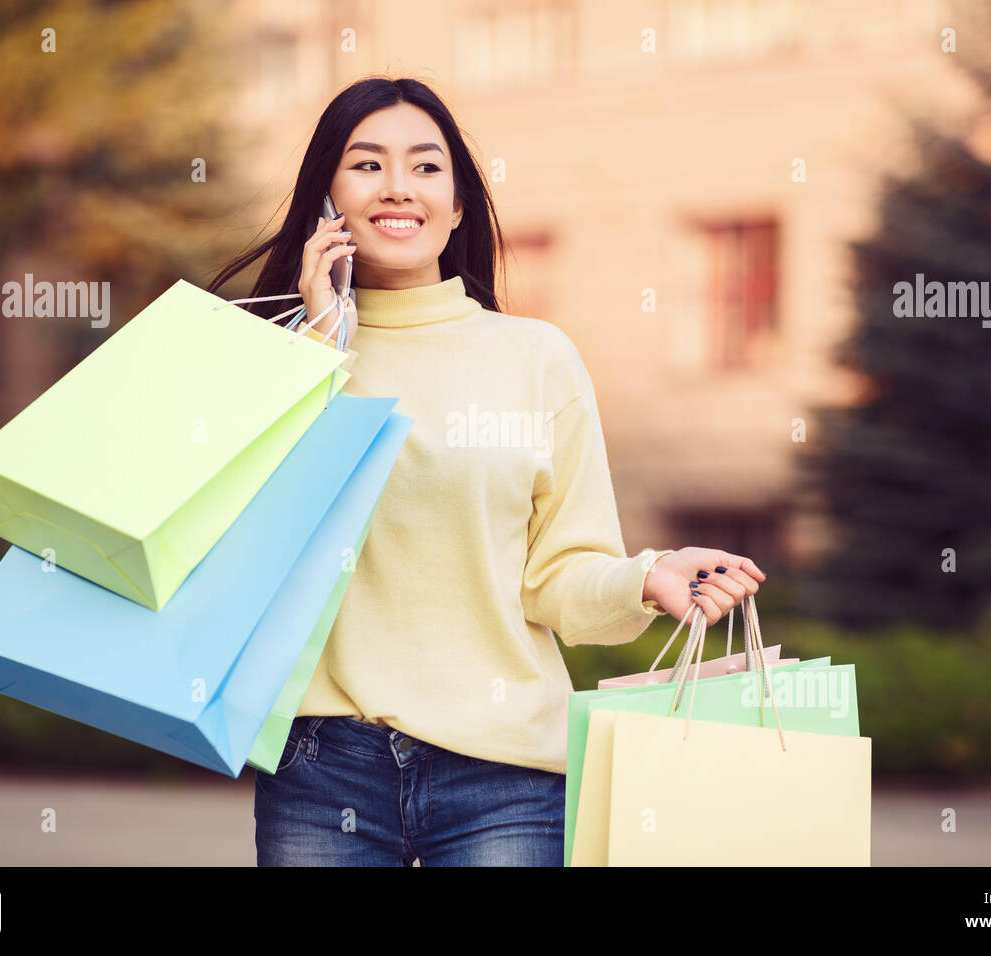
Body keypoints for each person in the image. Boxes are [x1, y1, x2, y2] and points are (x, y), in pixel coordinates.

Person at [206, 77, 767, 867]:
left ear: (460, 202)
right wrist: (321, 353)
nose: (398, 187)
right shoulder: (272, 362)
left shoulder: (536, 358)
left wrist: (646, 577)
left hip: (504, 778)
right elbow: (250, 552)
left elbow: (559, 580)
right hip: (321, 771)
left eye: (426, 167)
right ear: (325, 199)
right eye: (366, 165)